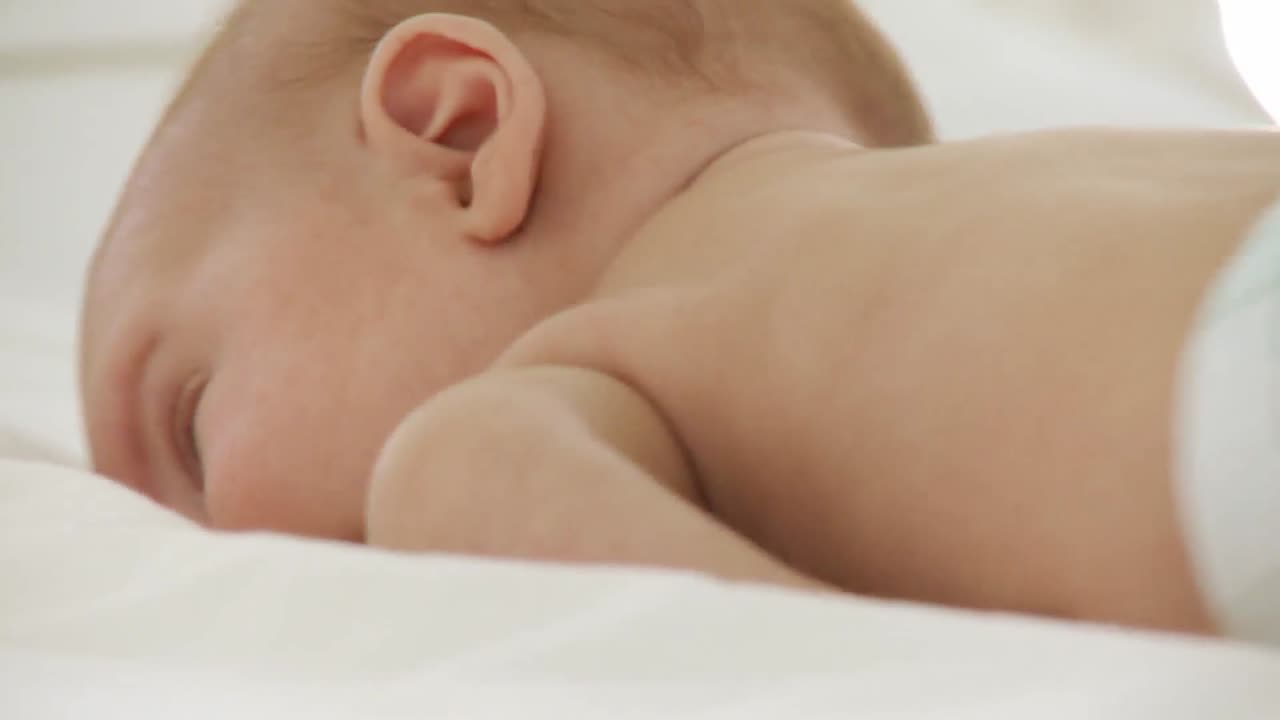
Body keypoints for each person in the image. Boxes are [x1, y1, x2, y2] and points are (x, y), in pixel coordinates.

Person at [80, 0, 1280, 642]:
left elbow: (838, 688)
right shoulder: (961, 220)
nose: (206, 545)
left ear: (458, 140)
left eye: (188, 428)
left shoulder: (502, 423)